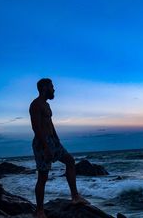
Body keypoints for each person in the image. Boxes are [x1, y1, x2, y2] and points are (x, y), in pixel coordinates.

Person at [29, 78, 89, 218]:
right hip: (42, 143)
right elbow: (36, 127)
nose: (54, 89)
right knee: (43, 176)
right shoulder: (36, 105)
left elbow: (50, 123)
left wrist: (56, 139)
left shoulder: (47, 105)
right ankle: (40, 211)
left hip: (52, 141)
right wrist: (46, 147)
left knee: (70, 161)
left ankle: (75, 196)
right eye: (52, 86)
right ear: (44, 88)